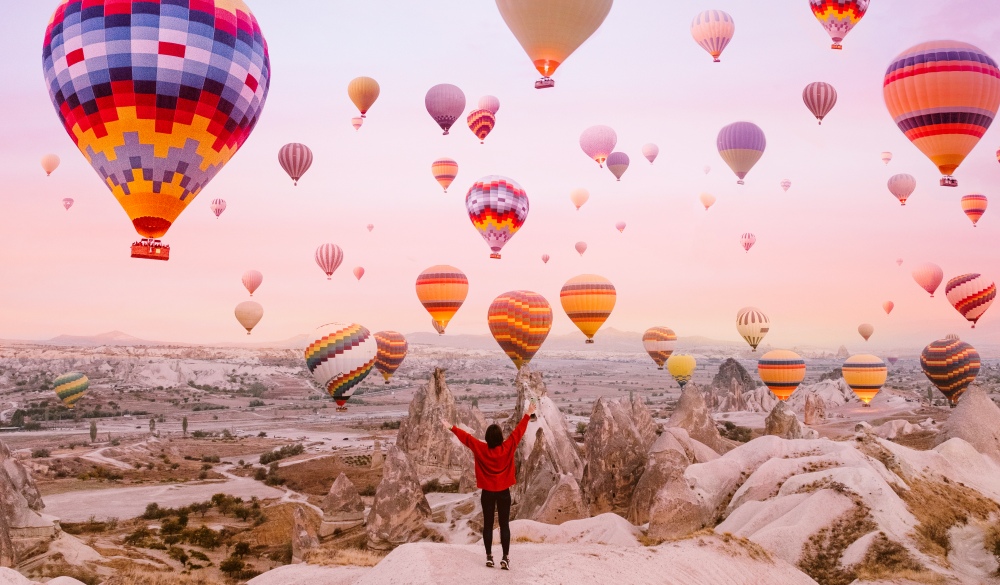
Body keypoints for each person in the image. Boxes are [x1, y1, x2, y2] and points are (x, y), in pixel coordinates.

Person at [441, 401, 536, 570]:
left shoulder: (481, 448)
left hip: (487, 493)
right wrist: (528, 413)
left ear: (487, 438)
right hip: (504, 492)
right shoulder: (507, 447)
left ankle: (489, 557)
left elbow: (467, 438)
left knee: (488, 524)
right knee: (504, 524)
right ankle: (505, 558)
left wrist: (450, 427)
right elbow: (518, 432)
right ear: (500, 438)